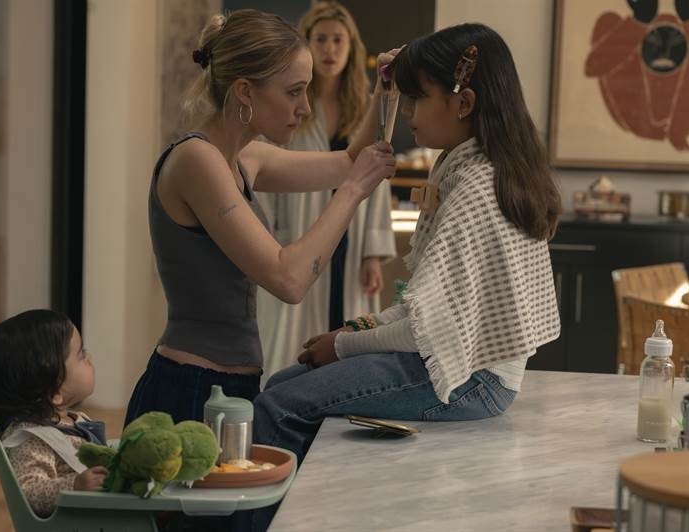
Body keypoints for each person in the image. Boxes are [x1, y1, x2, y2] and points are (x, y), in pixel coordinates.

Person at [253, 23, 563, 463]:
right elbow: (425, 312)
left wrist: (341, 345)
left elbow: (425, 332)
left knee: (277, 406)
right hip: (468, 368)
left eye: (418, 98)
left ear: (464, 103)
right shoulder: (470, 167)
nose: (410, 112)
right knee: (280, 383)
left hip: (471, 382)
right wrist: (357, 329)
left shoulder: (475, 189)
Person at [124, 9, 398, 427]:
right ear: (245, 92)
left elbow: (348, 161)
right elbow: (288, 279)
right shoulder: (197, 159)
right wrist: (353, 191)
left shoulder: (244, 157)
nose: (304, 107)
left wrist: (384, 91)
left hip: (227, 387)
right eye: (294, 92)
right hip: (191, 388)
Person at [255, 1, 396, 381]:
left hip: (351, 235)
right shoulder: (292, 105)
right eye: (321, 39)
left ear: (351, 48)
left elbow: (376, 174)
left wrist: (372, 253)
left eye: (338, 40)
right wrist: (273, 237)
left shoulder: (363, 108)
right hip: (299, 232)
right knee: (289, 333)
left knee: (346, 324)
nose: (330, 49)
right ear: (306, 45)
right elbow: (268, 175)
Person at [0, 309, 108, 517]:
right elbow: (28, 492)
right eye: (81, 354)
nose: (89, 358)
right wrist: (75, 485)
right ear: (55, 392)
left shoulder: (72, 419)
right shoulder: (32, 439)